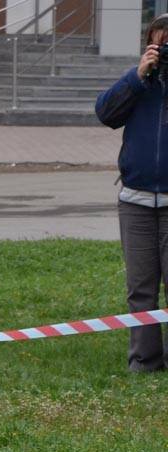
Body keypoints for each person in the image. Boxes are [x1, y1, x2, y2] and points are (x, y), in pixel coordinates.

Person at [96, 14, 168, 372]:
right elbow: (105, 112)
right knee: (140, 289)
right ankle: (144, 360)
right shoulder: (138, 84)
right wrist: (138, 76)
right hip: (135, 202)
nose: (164, 52)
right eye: (158, 45)